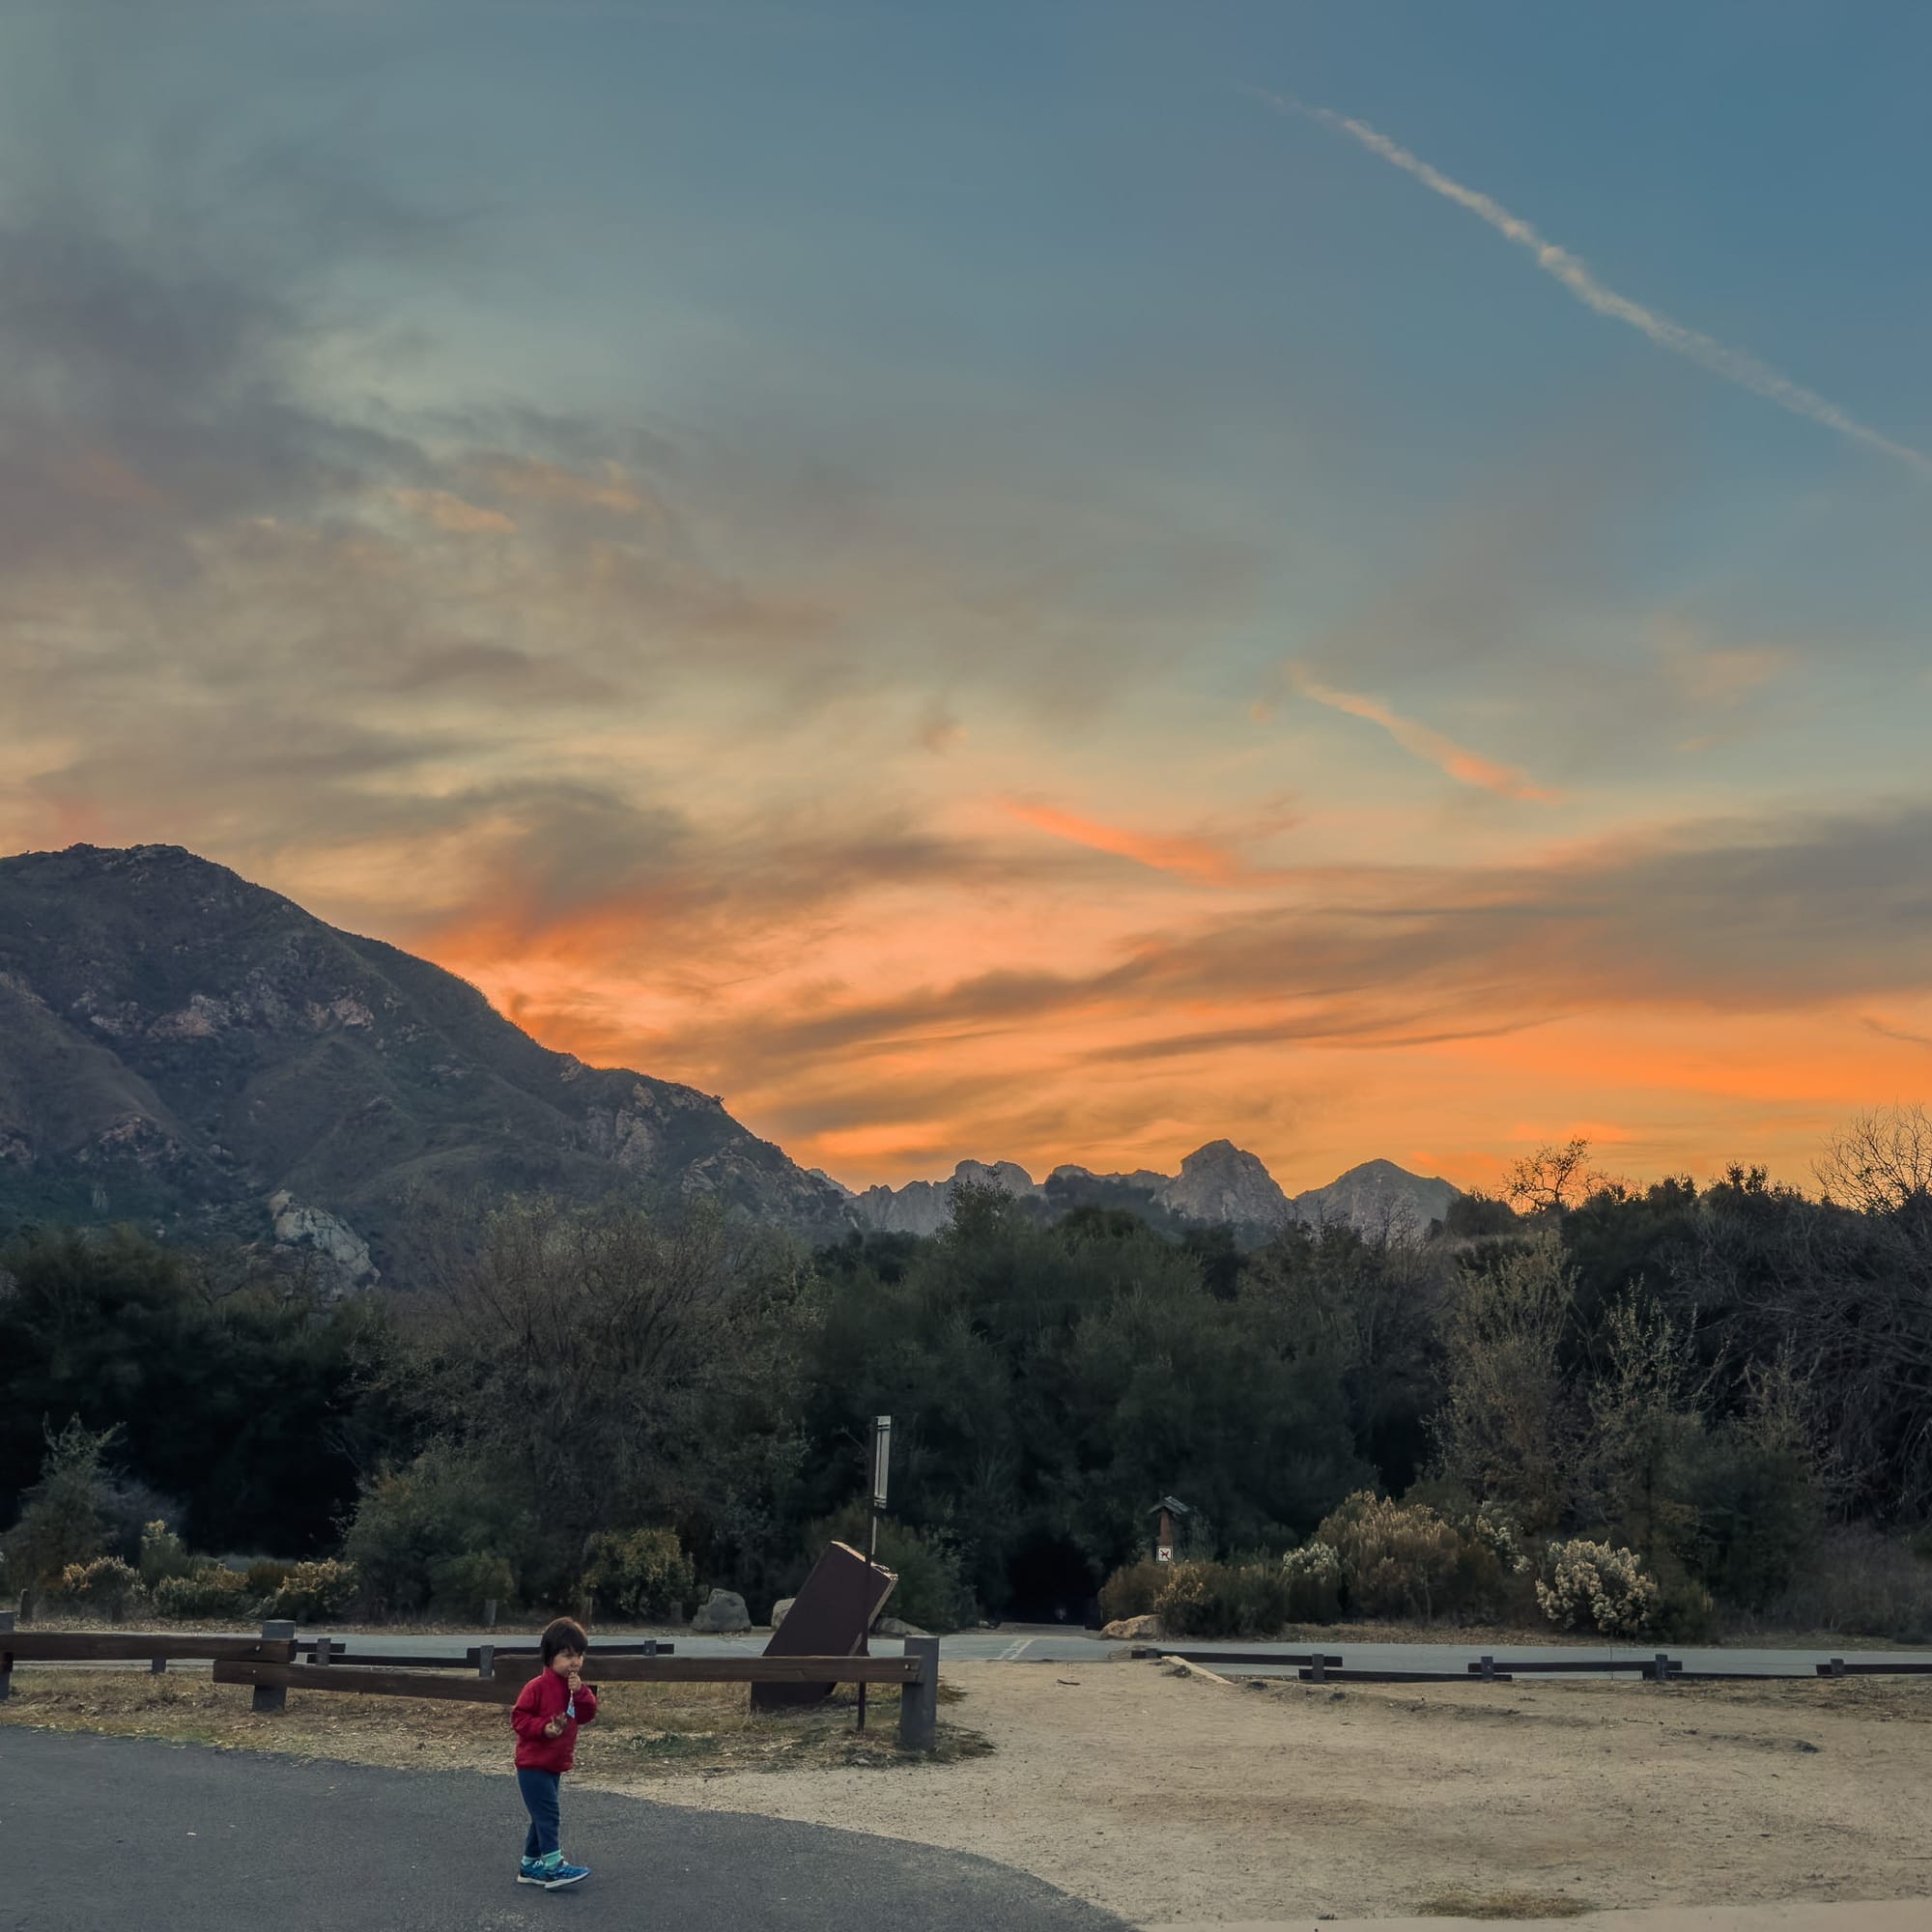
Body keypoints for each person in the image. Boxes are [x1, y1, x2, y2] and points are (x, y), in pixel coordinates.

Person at [511, 1617, 599, 1888]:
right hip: (533, 1764)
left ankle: (529, 1865)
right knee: (548, 1814)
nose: (575, 1662)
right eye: (568, 1655)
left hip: (554, 1764)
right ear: (550, 1657)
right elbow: (519, 1718)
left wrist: (582, 1692)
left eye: (580, 1655)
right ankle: (553, 1865)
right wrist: (544, 1729)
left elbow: (586, 1715)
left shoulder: (573, 1687)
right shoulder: (536, 1687)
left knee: (541, 1816)